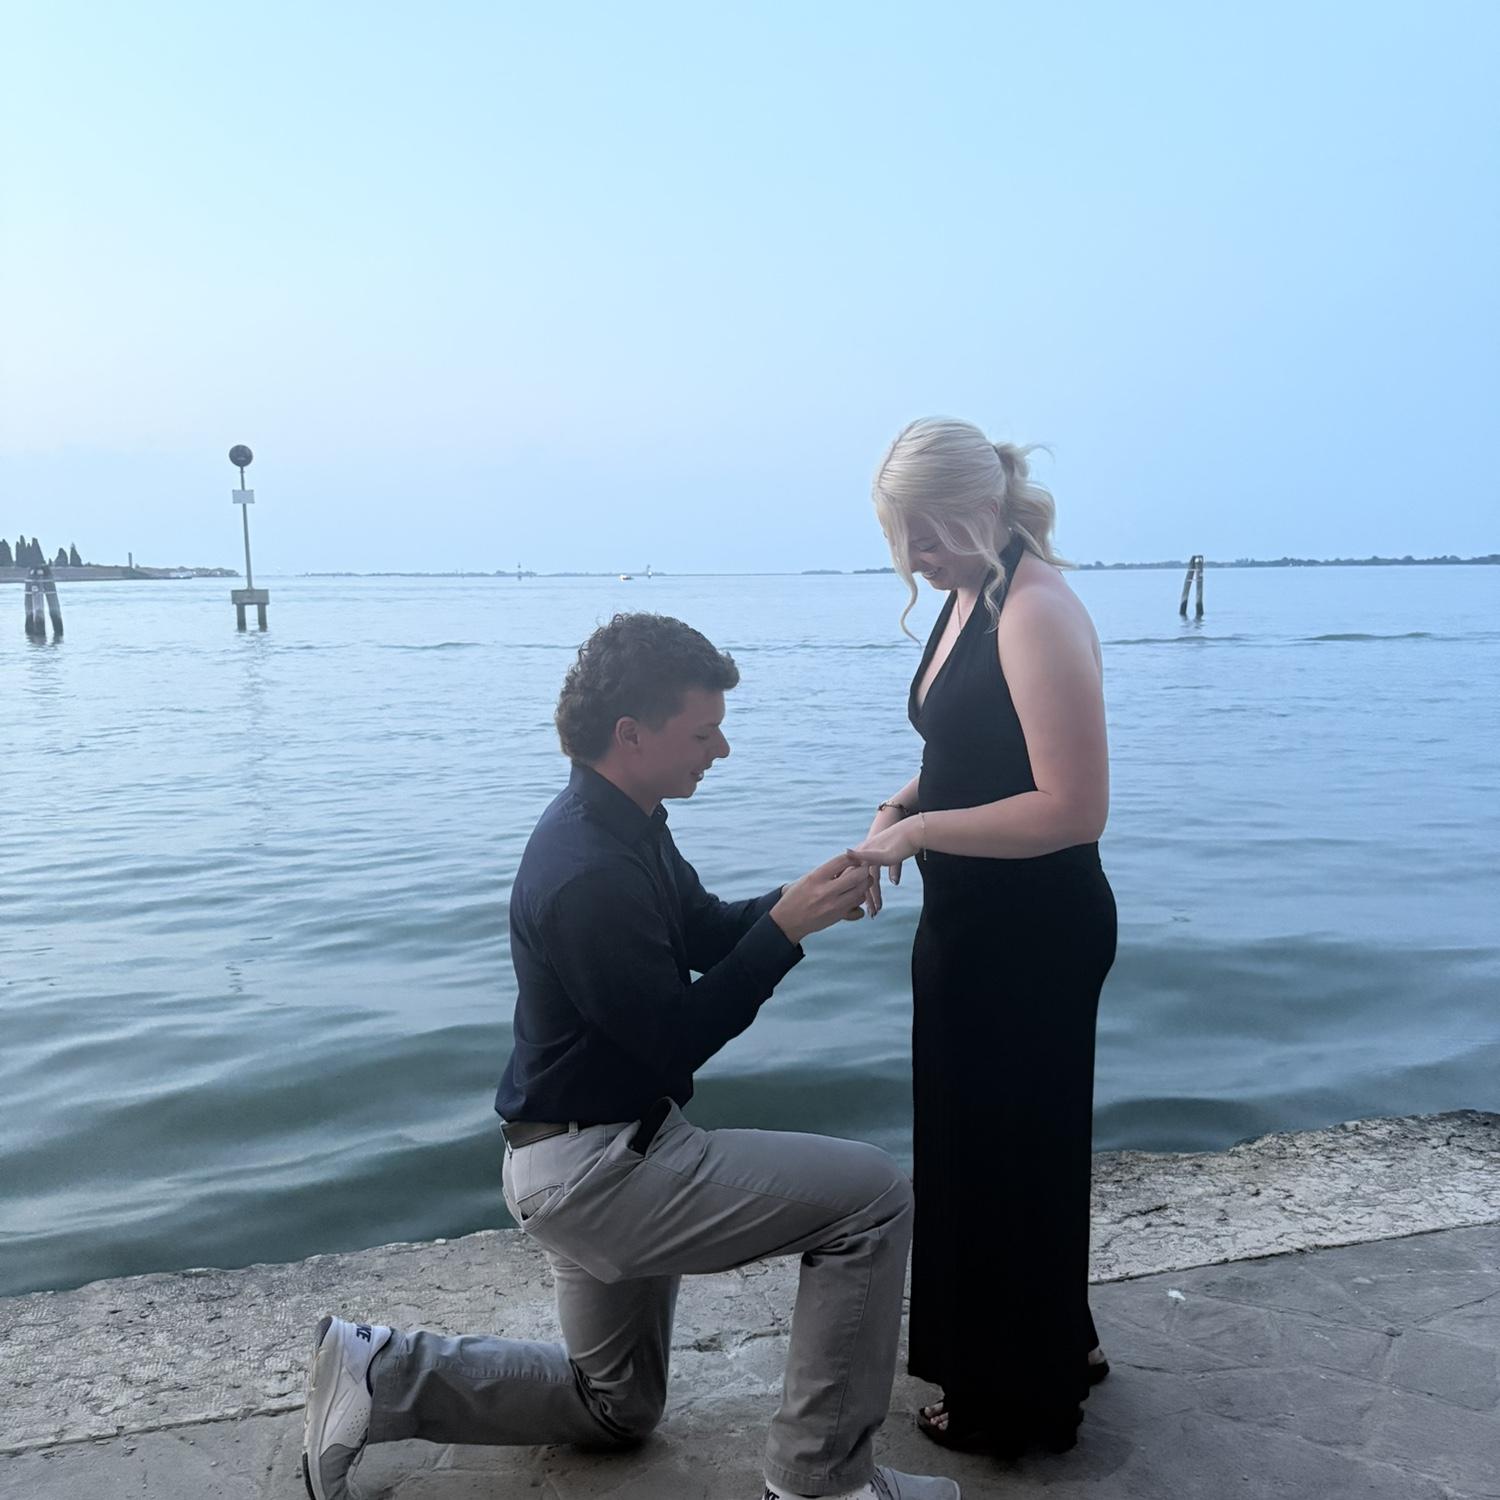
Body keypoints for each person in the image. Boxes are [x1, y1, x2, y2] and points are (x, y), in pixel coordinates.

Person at [301, 612, 959, 1500]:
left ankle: (377, 1373)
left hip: (589, 1149)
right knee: (874, 1198)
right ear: (631, 734)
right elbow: (672, 1041)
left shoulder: (626, 819)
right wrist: (783, 933)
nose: (721, 749)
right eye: (703, 731)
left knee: (615, 1408)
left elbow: (703, 931)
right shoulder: (585, 871)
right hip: (601, 1168)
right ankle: (822, 1481)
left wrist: (807, 898)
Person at [847, 419, 1117, 1457]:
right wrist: (901, 800)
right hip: (974, 920)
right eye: (901, 539)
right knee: (987, 1153)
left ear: (981, 506)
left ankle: (1019, 1403)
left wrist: (918, 833)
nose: (914, 558)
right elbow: (975, 744)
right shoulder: (970, 593)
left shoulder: (1039, 609)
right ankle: (1060, 1341)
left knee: (1010, 1158)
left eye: (926, 534)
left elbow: (1072, 806)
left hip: (1034, 931)